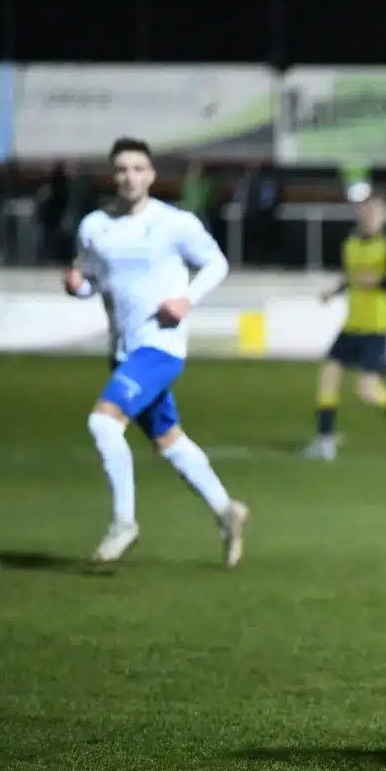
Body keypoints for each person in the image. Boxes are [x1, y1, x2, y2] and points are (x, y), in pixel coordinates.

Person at [63, 137, 250, 567]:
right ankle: (227, 510)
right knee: (170, 441)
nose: (129, 177)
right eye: (121, 169)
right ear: (112, 176)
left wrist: (187, 300)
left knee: (102, 422)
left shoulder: (174, 223)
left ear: (150, 175)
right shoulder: (94, 226)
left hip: (161, 347)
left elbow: (216, 263)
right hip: (125, 351)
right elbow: (90, 280)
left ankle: (124, 521)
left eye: (137, 169)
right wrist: (78, 287)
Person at [303, 190, 386, 460]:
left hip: (376, 327)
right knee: (328, 376)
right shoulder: (351, 244)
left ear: (383, 216)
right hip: (351, 325)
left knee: (367, 390)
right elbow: (353, 277)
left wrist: (379, 281)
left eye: (374, 211)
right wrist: (335, 291)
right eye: (365, 211)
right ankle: (325, 442)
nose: (368, 216)